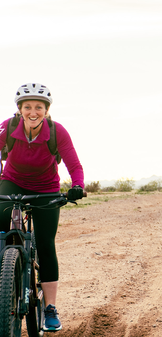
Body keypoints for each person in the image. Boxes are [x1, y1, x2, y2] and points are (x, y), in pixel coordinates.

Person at [0, 83, 84, 332]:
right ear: (20, 110)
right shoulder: (8, 127)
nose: (33, 112)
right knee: (0, 233)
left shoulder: (57, 132)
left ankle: (50, 309)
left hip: (46, 188)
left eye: (39, 107)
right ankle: (4, 280)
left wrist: (77, 186)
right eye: (28, 107)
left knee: (46, 244)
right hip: (11, 182)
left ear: (47, 110)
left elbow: (74, 164)